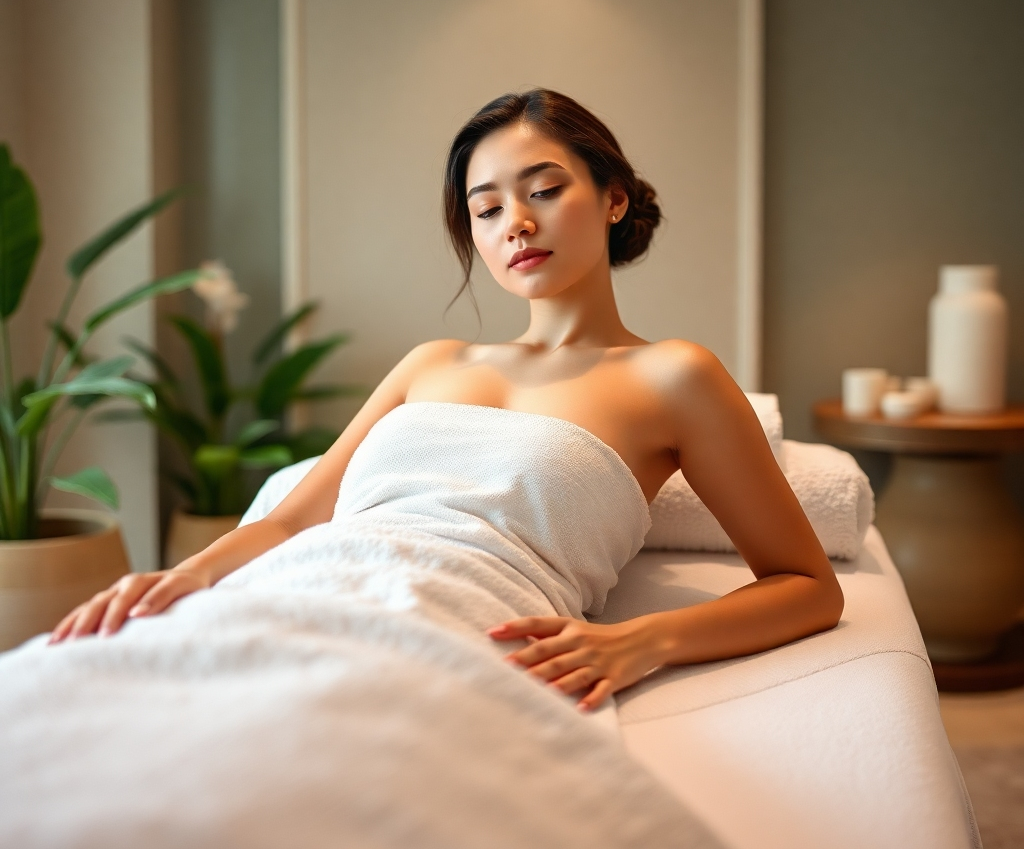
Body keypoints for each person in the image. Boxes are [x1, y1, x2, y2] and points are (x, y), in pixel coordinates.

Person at [50, 88, 843, 713]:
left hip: (462, 618)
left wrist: (643, 641)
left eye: (544, 189)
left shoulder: (674, 376)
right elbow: (295, 517)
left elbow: (807, 587)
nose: (516, 223)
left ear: (614, 198)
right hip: (302, 586)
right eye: (487, 208)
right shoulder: (431, 363)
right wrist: (180, 579)